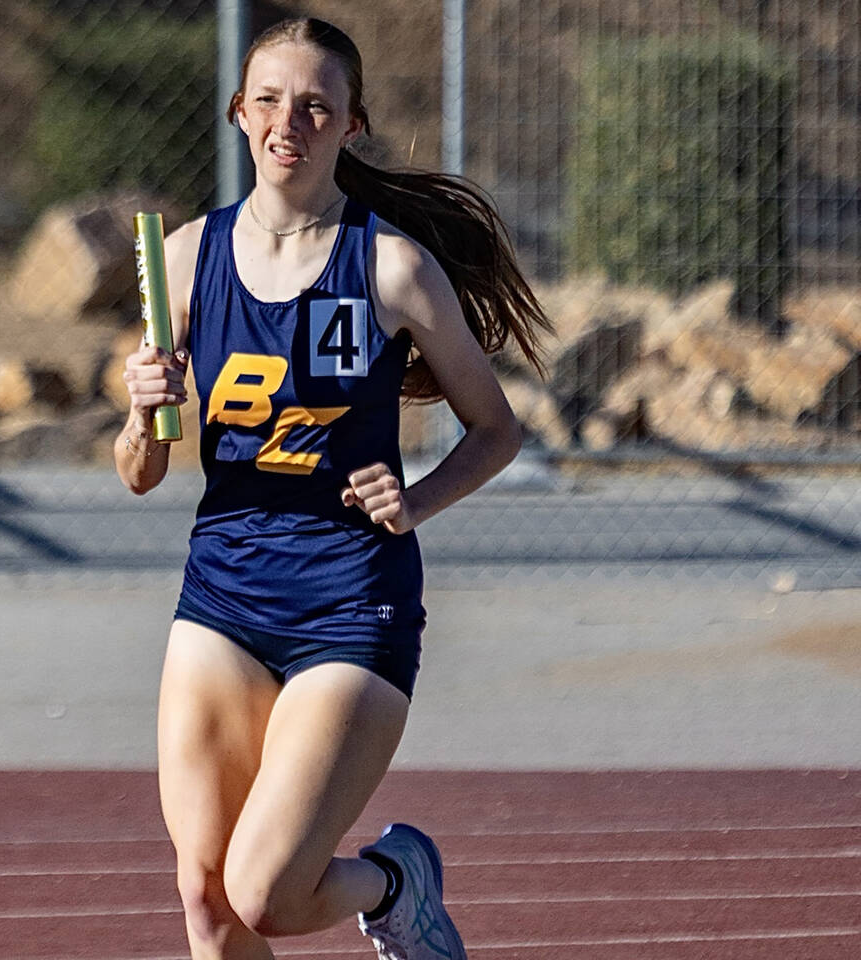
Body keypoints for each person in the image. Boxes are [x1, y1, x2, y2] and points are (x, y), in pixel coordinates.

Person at [113, 17, 550, 960]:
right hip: (223, 598)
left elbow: (497, 429)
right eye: (270, 100)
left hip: (351, 603)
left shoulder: (391, 267)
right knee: (206, 900)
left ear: (352, 125)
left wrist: (416, 500)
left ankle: (397, 882)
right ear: (239, 112)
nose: (289, 123)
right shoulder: (184, 258)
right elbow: (140, 473)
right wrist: (143, 413)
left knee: (265, 892)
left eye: (316, 106)